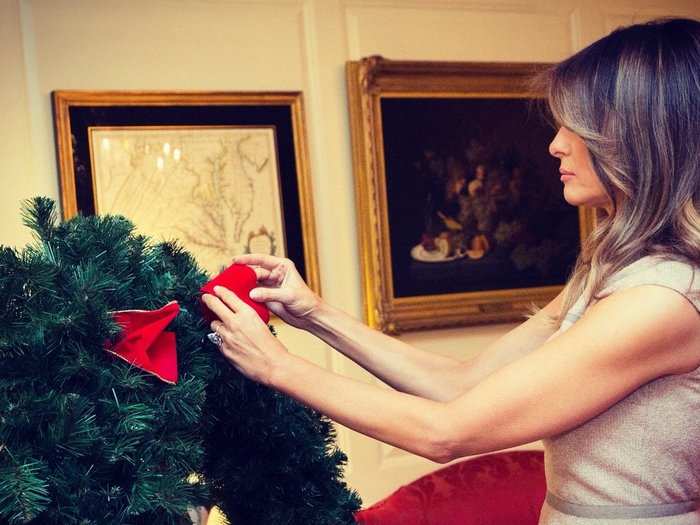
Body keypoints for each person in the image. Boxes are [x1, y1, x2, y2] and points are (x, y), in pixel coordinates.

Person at [201, 18, 700, 525]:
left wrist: (276, 367)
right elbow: (464, 385)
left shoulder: (663, 298)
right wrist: (314, 315)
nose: (555, 144)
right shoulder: (613, 266)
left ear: (642, 137)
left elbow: (446, 432)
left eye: (578, 125)